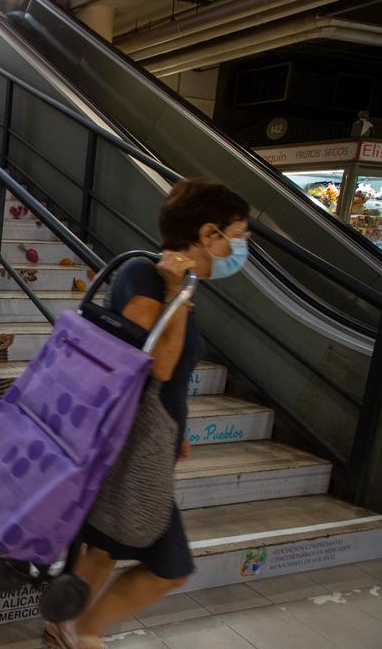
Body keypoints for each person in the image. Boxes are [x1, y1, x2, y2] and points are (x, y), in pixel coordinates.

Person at [47, 180, 250, 649]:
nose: (241, 248)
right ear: (208, 233)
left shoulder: (172, 281)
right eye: (238, 236)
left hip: (147, 441)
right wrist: (177, 294)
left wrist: (176, 429)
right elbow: (155, 364)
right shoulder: (145, 275)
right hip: (132, 446)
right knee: (169, 566)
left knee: (102, 550)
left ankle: (63, 628)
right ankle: (84, 631)